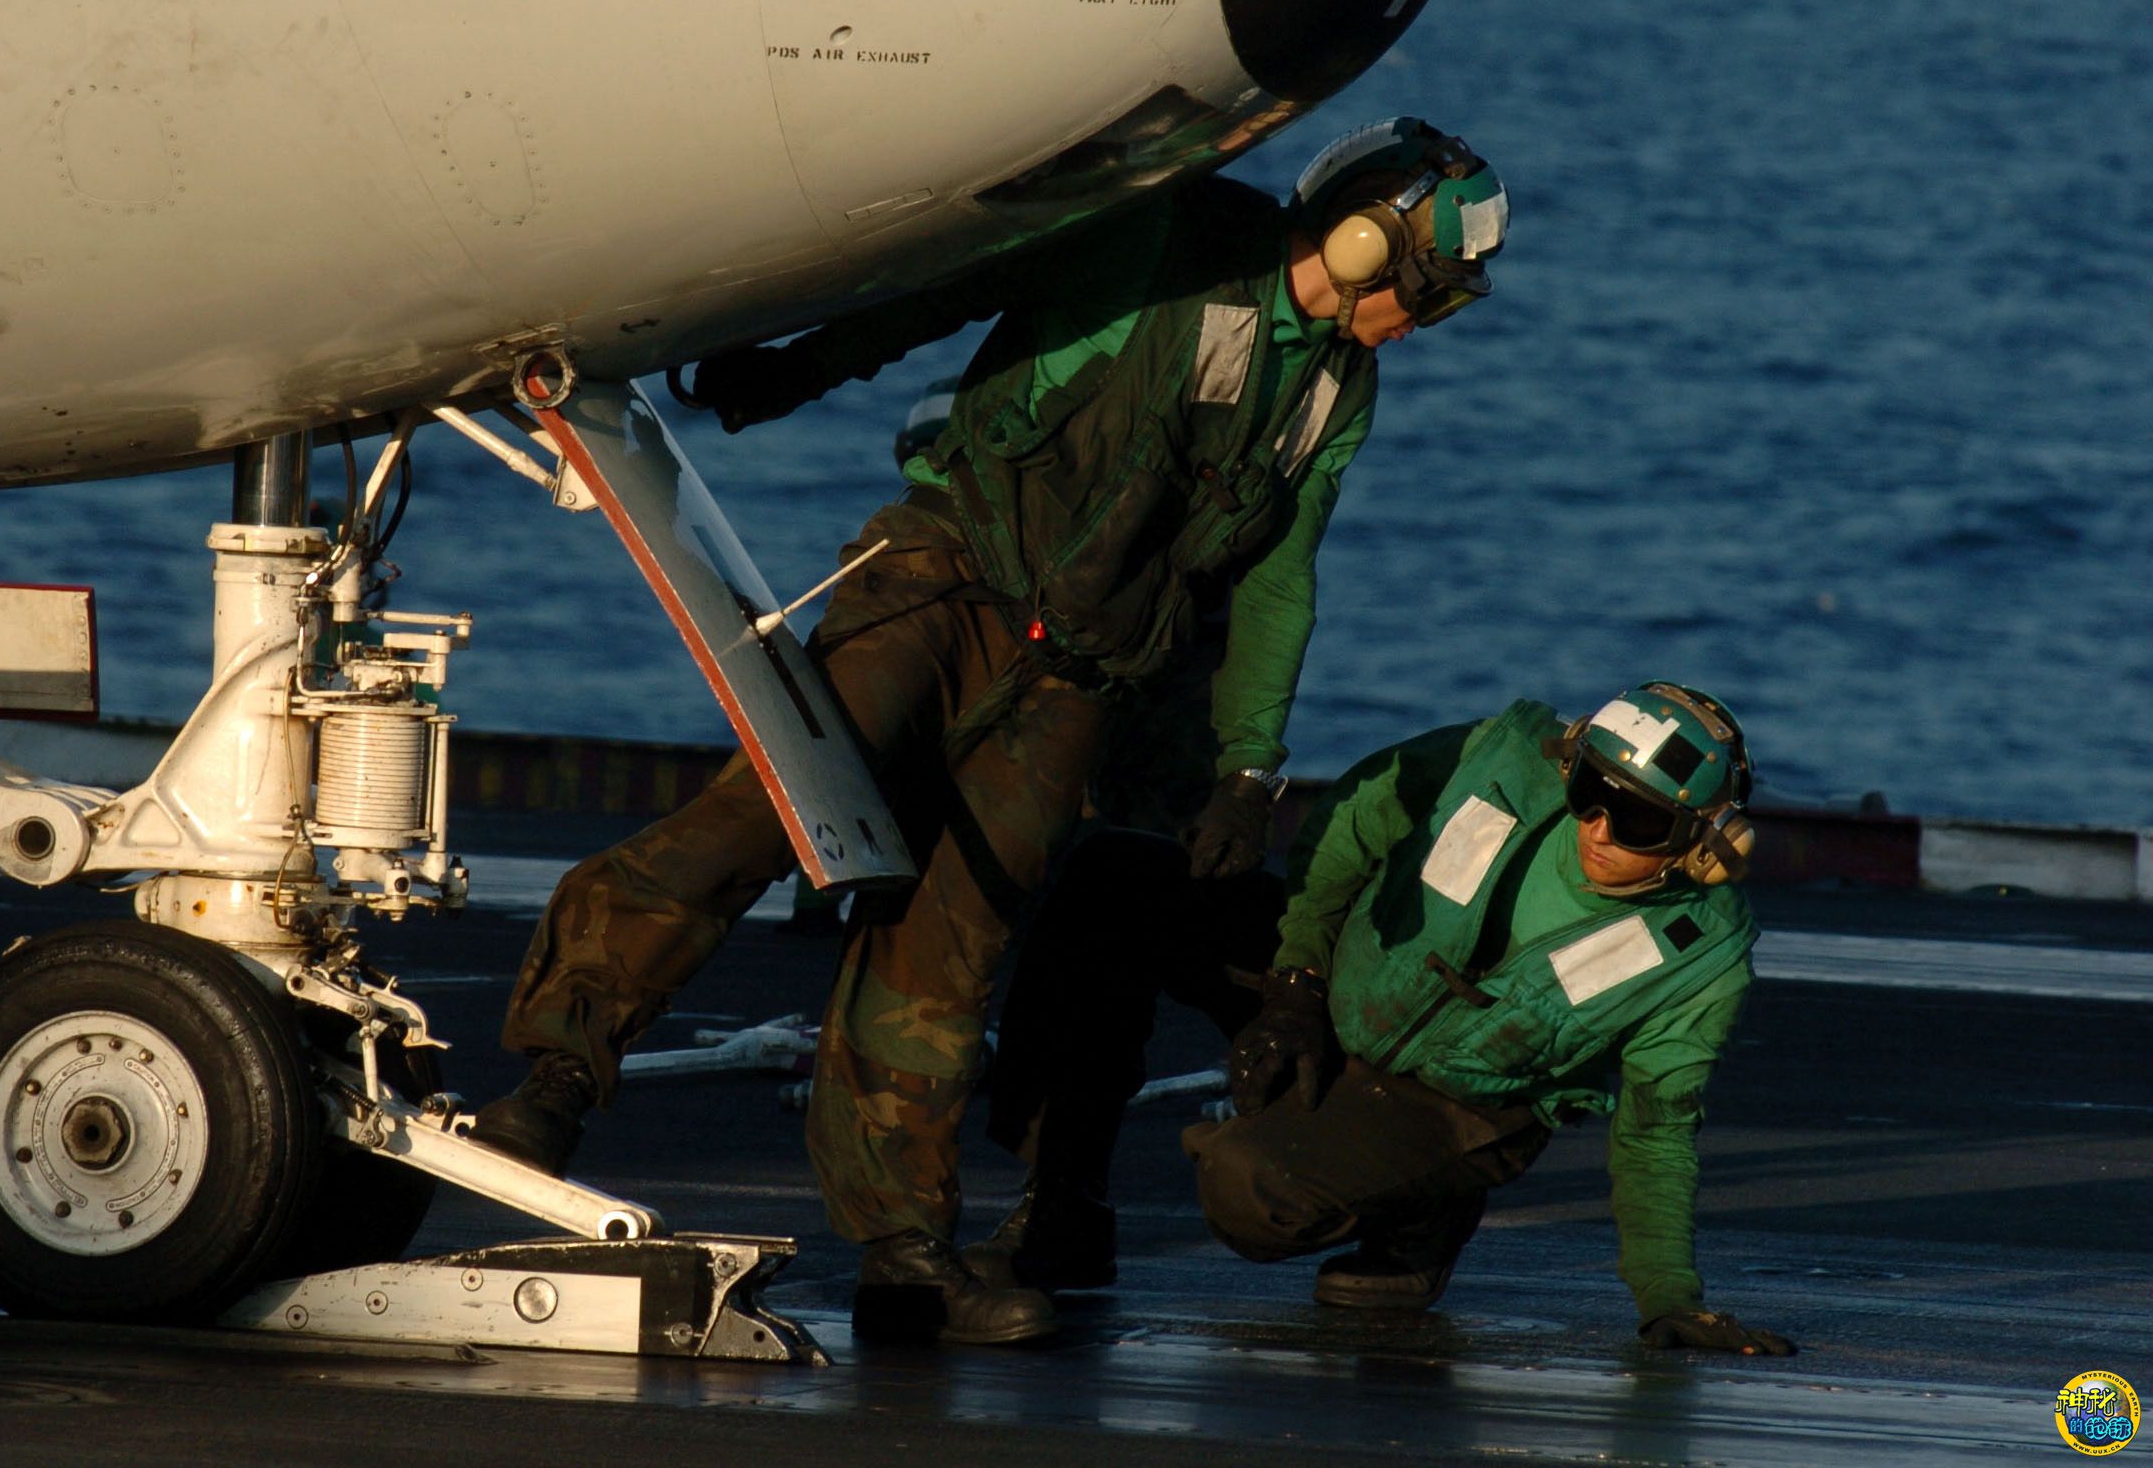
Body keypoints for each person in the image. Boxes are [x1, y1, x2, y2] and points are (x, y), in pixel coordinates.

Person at [478, 118, 1511, 1344]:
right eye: (1425, 291)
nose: (1422, 320)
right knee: (771, 814)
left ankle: (905, 1257)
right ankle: (552, 1077)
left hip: (1077, 678)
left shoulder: (1334, 389)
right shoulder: (1166, 245)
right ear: (1358, 240)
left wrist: (1248, 766)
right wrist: (799, 370)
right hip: (942, 582)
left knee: (951, 946)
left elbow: (1282, 574)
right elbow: (958, 287)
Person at [972, 682, 1797, 1358]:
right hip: (1338, 986)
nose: (1598, 828)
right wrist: (1295, 983)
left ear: (1704, 845)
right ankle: (1062, 1208)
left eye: (1641, 820)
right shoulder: (1500, 757)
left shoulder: (1700, 957)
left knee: (1249, 1191)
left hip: (1460, 1103)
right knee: (1113, 877)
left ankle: (1422, 1214)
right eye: (1590, 790)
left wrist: (1668, 1300)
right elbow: (1350, 823)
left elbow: (1657, 1131)